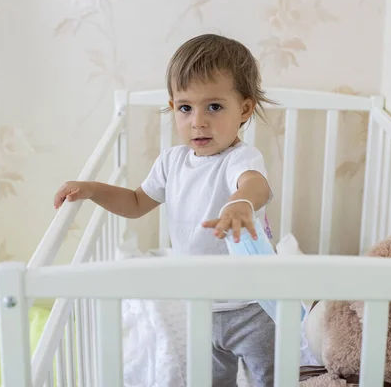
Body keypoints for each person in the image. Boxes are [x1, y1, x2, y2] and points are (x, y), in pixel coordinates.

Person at [53, 33, 276, 387]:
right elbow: (137, 203)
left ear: (245, 109)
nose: (197, 121)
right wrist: (93, 189)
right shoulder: (172, 162)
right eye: (186, 108)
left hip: (252, 308)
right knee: (213, 380)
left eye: (214, 107)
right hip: (200, 308)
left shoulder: (240, 159)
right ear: (174, 107)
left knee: (272, 377)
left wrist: (240, 203)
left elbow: (255, 184)